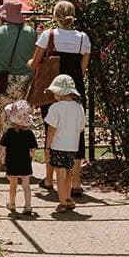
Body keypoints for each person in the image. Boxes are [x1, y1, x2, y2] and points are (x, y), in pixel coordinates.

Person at [30, 0, 91, 194]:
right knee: (77, 133)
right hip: (75, 90)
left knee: (52, 132)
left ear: (55, 16)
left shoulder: (48, 36)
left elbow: (35, 63)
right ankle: (76, 182)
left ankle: (49, 179)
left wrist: (32, 62)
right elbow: (82, 69)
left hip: (52, 91)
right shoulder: (83, 38)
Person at [0, 0, 36, 171]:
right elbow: (35, 59)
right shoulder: (31, 32)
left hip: (3, 81)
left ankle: (0, 160)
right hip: (24, 82)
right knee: (21, 121)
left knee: (0, 120)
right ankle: (22, 160)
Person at [44, 74, 86, 213]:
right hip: (72, 146)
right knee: (68, 173)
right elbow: (81, 128)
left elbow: (51, 129)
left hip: (58, 146)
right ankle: (67, 198)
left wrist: (48, 146)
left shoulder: (55, 108)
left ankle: (62, 202)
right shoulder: (79, 108)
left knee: (60, 174)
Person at [0, 99, 39, 217]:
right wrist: (31, 156)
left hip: (12, 162)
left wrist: (0, 159)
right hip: (25, 162)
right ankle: (28, 205)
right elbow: (33, 149)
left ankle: (12, 203)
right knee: (26, 185)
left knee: (13, 185)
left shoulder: (9, 132)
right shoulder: (29, 134)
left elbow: (3, 148)